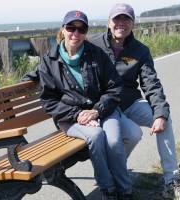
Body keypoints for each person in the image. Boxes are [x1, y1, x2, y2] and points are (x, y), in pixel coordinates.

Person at [90, 3, 180, 200]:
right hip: (105, 107)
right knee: (128, 135)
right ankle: (114, 174)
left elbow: (151, 84)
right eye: (117, 18)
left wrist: (160, 113)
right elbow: (65, 58)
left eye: (126, 19)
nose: (121, 23)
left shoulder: (139, 50)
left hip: (129, 103)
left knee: (165, 119)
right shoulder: (93, 45)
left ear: (132, 24)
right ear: (109, 22)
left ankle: (171, 181)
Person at [37, 10, 134, 200]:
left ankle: (125, 190)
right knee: (96, 135)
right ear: (63, 30)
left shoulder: (96, 54)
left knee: (114, 141)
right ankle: (108, 189)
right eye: (71, 27)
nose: (76, 33)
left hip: (103, 111)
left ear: (86, 32)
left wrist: (96, 111)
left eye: (81, 29)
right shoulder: (49, 60)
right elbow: (48, 101)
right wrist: (77, 115)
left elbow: (115, 88)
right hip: (70, 118)